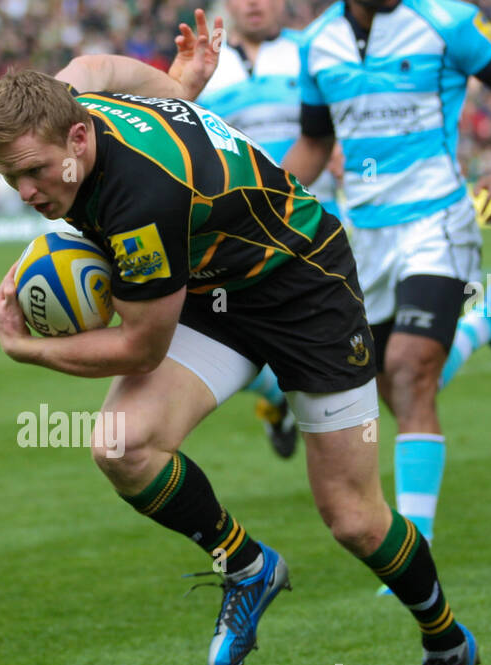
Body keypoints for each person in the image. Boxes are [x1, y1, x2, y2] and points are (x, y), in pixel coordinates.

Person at [0, 37, 480, 665]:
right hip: (215, 288)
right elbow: (98, 65)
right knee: (123, 446)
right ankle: (247, 565)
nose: (28, 192)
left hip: (304, 288)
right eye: (13, 179)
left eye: (36, 172)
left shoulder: (140, 201)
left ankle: (446, 642)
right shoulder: (74, 91)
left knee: (353, 518)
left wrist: (28, 351)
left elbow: (141, 348)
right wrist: (177, 86)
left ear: (78, 132)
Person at [281, 0, 491, 562]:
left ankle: (412, 550)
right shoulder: (317, 43)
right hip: (367, 238)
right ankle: (485, 322)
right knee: (391, 384)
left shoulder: (447, 20)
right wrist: (259, 201)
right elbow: (315, 143)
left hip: (438, 223)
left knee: (408, 368)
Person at [180, 0, 345, 459]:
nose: (254, 4)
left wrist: (346, 149)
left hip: (319, 226)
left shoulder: (311, 51)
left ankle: (482, 323)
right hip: (240, 233)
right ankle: (277, 400)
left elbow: (342, 117)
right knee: (229, 337)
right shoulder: (204, 64)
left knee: (373, 356)